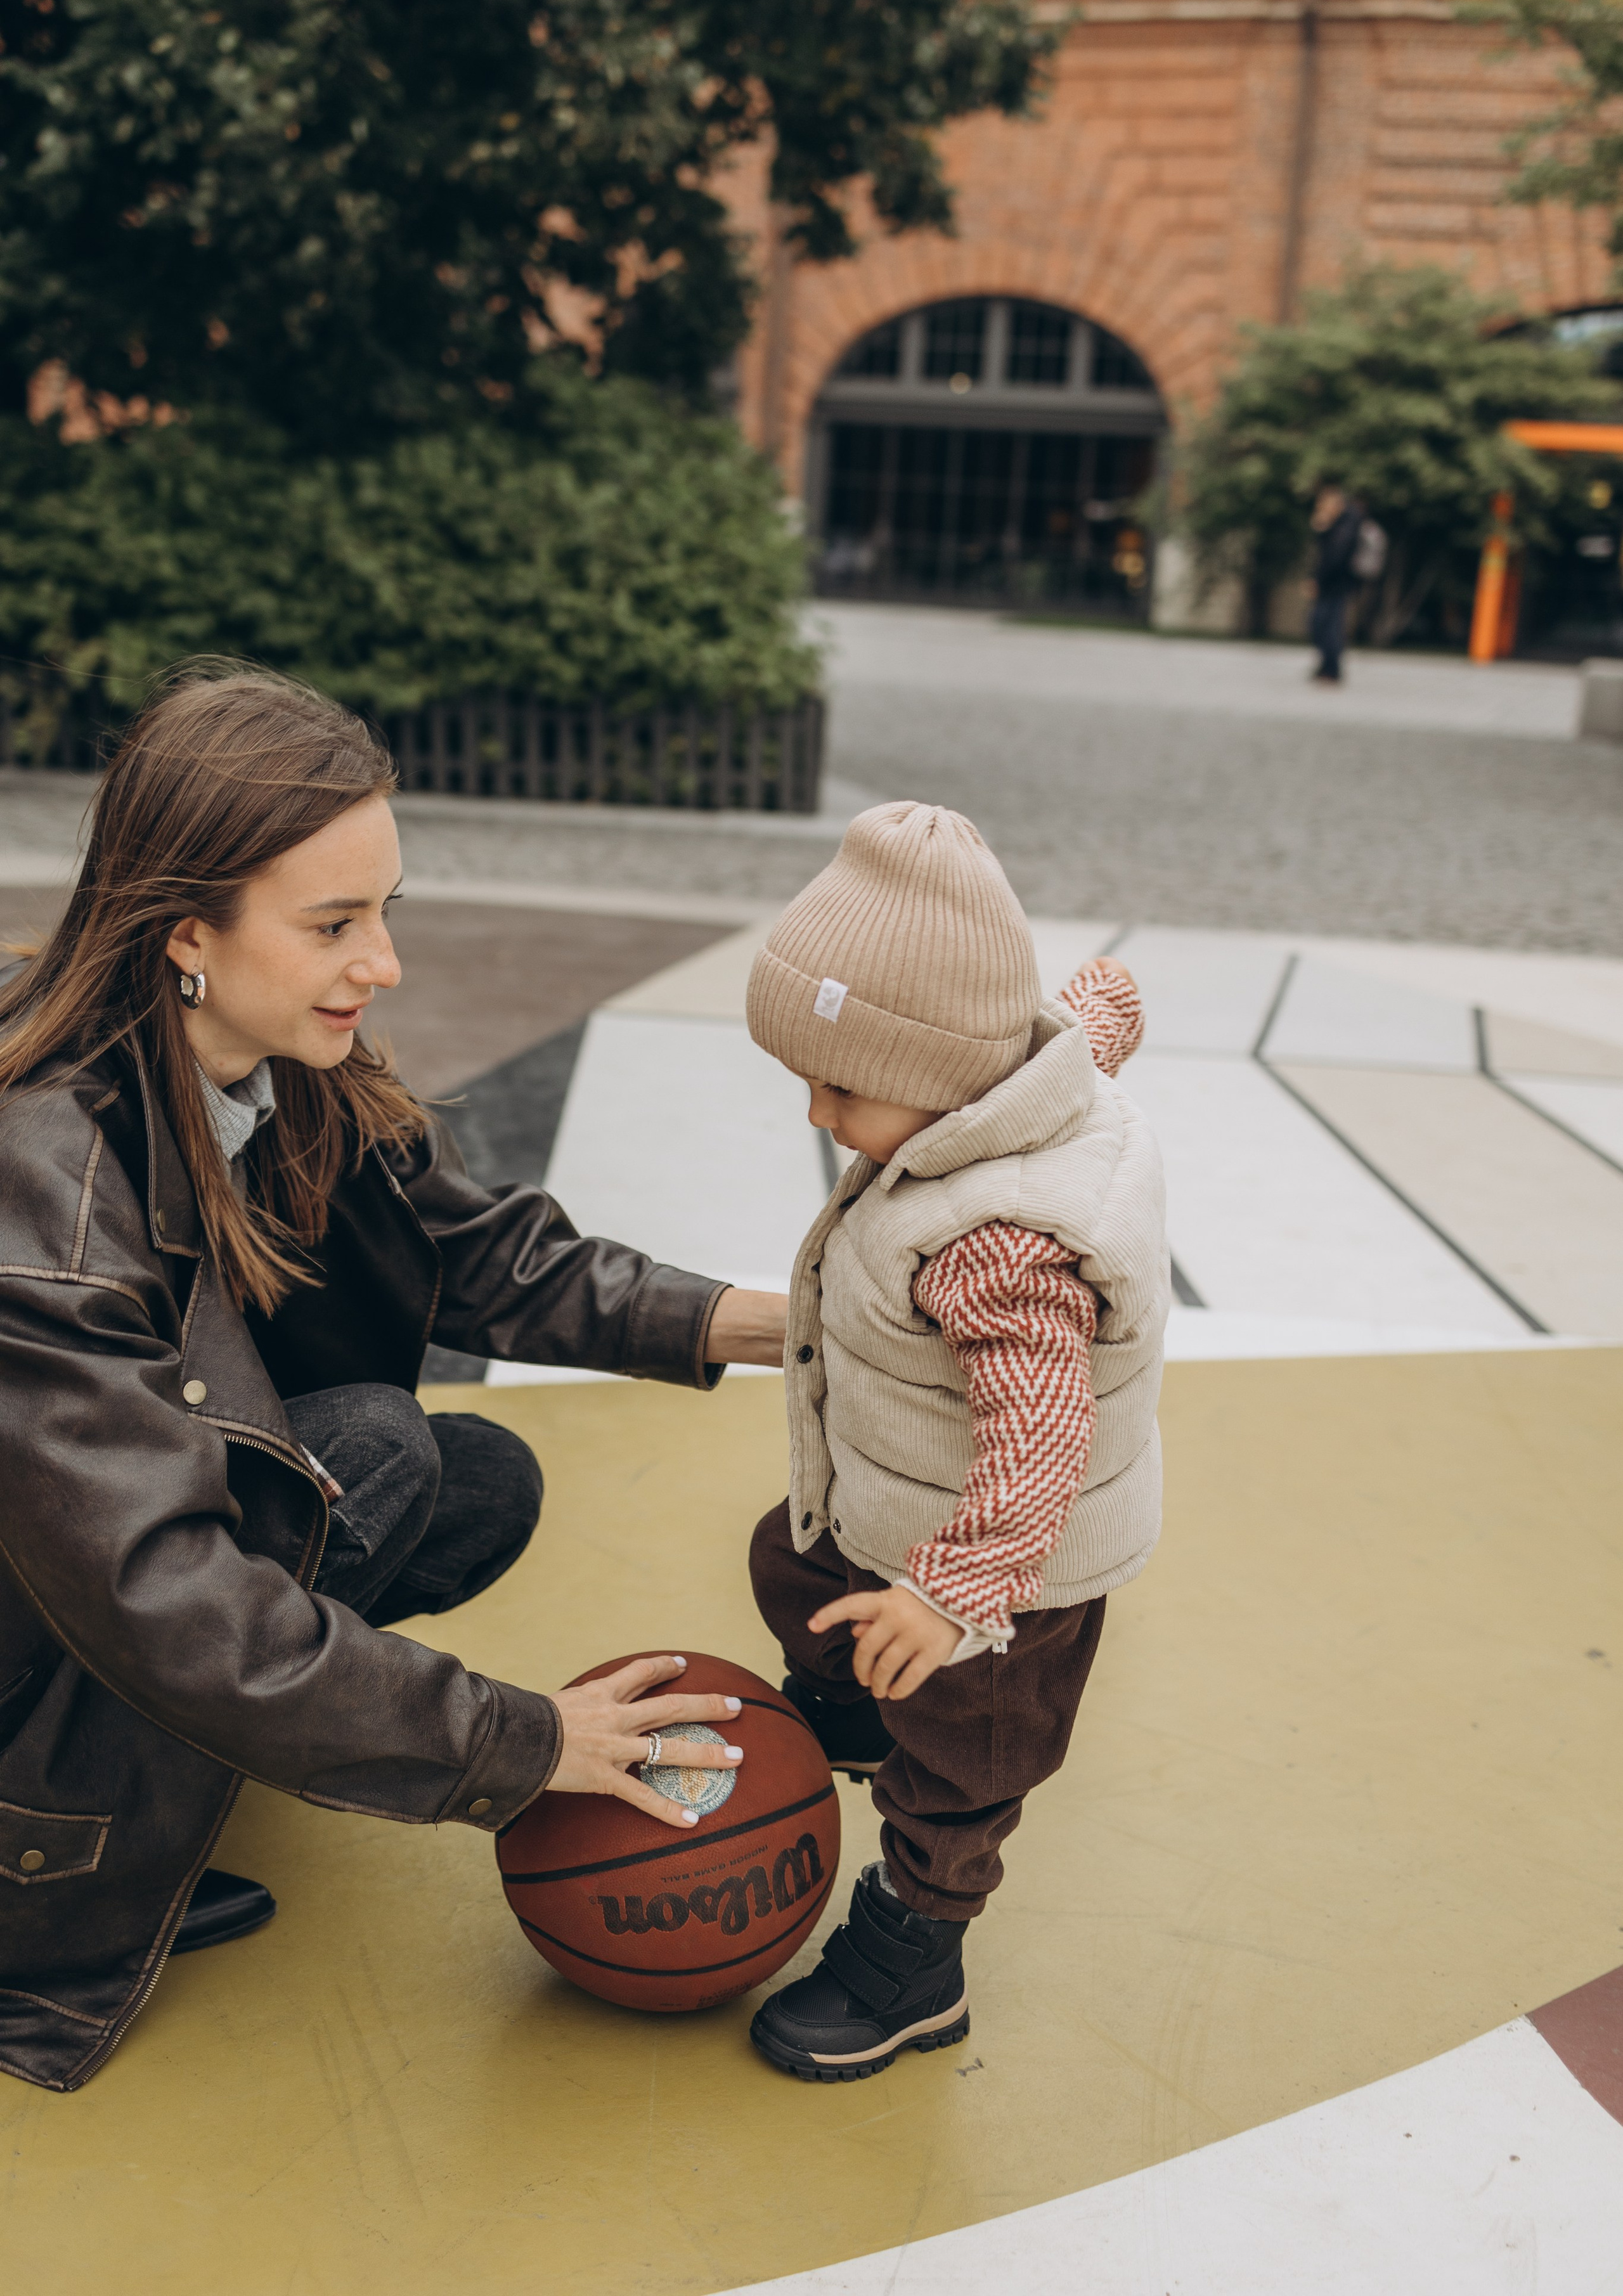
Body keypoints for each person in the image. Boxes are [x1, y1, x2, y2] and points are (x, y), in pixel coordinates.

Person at [0, 663, 787, 2096]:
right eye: (333, 924)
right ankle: (52, 1856)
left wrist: (779, 1324)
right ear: (186, 930)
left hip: (76, 1577)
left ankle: (178, 1761)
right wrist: (522, 1742)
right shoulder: (46, 1192)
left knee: (458, 1478)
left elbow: (481, 1252)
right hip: (59, 1609)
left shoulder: (270, 1063)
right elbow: (161, 1591)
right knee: (359, 1460)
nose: (383, 962)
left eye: (385, 911)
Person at [739, 803, 1167, 2080]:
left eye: (841, 1088)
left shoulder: (1001, 1246)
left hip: (1007, 1575)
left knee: (961, 1763)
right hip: (904, 1496)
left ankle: (916, 1957)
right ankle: (855, 1704)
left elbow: (1039, 1442)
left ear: (948, 1078)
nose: (816, 1113)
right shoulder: (1002, 1078)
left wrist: (951, 1595)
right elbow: (1093, 1022)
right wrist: (1107, 999)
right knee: (791, 1560)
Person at [1306, 479, 1365, 684]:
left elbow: (1334, 557)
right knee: (1321, 624)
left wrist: (1318, 580)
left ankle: (1331, 669)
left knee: (1327, 625)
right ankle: (1327, 666)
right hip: (1332, 583)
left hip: (1336, 584)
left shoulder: (1347, 524)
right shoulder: (1342, 523)